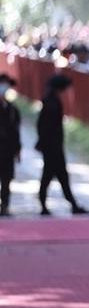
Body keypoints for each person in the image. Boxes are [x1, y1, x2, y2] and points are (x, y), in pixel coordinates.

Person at [36, 74, 89, 216]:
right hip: (52, 147)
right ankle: (46, 205)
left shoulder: (51, 99)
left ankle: (71, 204)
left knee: (59, 177)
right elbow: (46, 126)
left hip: (53, 146)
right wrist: (48, 144)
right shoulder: (51, 101)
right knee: (51, 176)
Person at [0, 74, 21, 217]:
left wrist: (17, 149)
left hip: (7, 150)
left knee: (6, 179)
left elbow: (15, 131)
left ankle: (5, 206)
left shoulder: (12, 109)